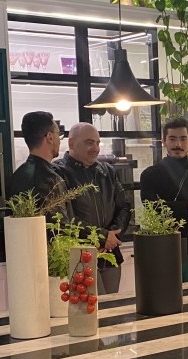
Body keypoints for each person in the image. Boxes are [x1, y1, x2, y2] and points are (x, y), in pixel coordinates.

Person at [52, 122, 130, 294]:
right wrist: (102, 237)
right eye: (89, 143)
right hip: (81, 255)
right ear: (71, 143)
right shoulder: (58, 172)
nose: (95, 148)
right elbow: (65, 219)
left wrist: (112, 237)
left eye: (97, 143)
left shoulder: (107, 171)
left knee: (112, 306)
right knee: (91, 307)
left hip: (110, 254)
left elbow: (124, 207)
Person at [140, 116, 188, 281]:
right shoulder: (150, 175)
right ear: (164, 141)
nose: (178, 144)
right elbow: (152, 210)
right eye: (172, 139)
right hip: (161, 247)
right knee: (162, 295)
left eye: (183, 139)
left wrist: (168, 206)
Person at [7, 111, 68, 219]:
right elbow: (59, 225)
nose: (59, 140)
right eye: (58, 134)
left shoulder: (16, 176)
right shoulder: (49, 180)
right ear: (50, 137)